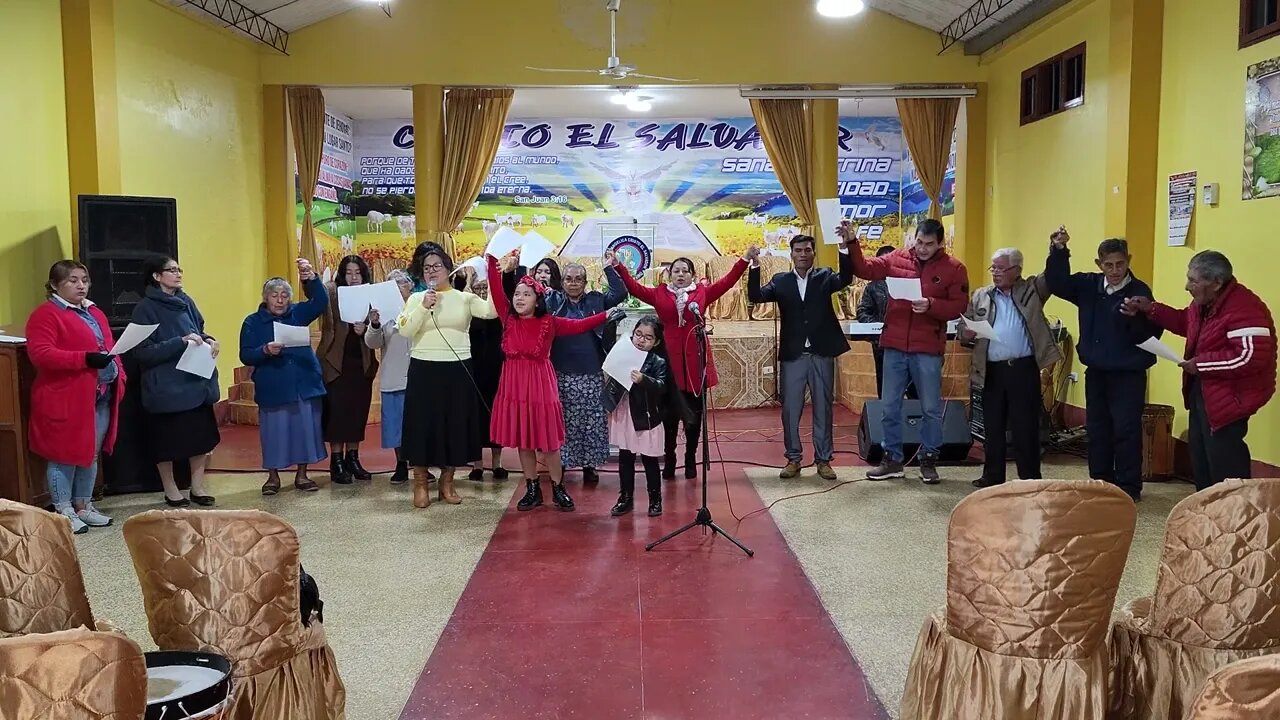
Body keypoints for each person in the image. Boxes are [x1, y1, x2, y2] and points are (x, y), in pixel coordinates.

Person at [1122, 251, 1276, 490]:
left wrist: (1201, 364)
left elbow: (1250, 357)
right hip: (1203, 391)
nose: (1187, 286)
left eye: (1193, 281)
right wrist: (1152, 310)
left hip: (1230, 398)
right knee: (1201, 460)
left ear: (1216, 282)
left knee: (1225, 465)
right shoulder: (1203, 303)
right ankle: (1206, 515)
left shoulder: (1245, 308)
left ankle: (1234, 519)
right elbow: (1187, 323)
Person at [485, 252, 622, 513]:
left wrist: (606, 315)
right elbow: (495, 286)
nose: (520, 298)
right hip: (513, 387)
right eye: (517, 294)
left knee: (548, 442)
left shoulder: (550, 322)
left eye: (526, 294)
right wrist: (493, 259)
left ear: (538, 300)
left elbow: (581, 325)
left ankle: (558, 488)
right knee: (524, 440)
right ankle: (532, 487)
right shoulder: (508, 319)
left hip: (541, 384)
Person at [839, 219, 969, 484]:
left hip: (928, 348)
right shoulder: (896, 258)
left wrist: (931, 305)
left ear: (940, 243)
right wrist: (852, 242)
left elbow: (959, 305)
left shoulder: (954, 269)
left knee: (931, 408)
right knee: (889, 406)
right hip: (895, 346)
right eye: (919, 242)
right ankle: (892, 459)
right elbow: (864, 269)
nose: (922, 248)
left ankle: (929, 458)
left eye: (929, 244)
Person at [1044, 228, 1161, 501]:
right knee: (1097, 429)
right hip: (1097, 372)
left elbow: (1154, 330)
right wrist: (1059, 251)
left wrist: (1135, 317)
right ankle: (1100, 481)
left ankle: (1129, 486)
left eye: (1120, 264)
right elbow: (1057, 282)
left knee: (1126, 429)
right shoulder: (1089, 285)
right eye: (1108, 265)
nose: (1115, 270)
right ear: (1099, 264)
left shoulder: (1140, 291)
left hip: (1128, 373)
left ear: (1128, 260)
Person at [611, 252, 750, 479]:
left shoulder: (702, 293)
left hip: (695, 363)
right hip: (666, 364)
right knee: (668, 416)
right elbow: (634, 288)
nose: (681, 274)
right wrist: (619, 267)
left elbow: (728, 281)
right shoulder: (659, 293)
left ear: (692, 275)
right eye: (676, 271)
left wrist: (744, 261)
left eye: (685, 271)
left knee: (693, 416)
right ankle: (670, 457)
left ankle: (690, 459)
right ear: (669, 274)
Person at [25, 260, 127, 533]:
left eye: (84, 279)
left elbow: (107, 346)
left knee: (89, 453)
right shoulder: (46, 314)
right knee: (64, 455)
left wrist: (117, 370)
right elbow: (41, 354)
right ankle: (64, 510)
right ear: (55, 285)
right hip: (66, 397)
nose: (81, 285)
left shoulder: (94, 311)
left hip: (99, 394)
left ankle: (84, 505)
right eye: (73, 280)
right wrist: (84, 359)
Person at [397, 245, 497, 509]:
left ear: (448, 269)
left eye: (437, 266)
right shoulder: (416, 299)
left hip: (457, 369)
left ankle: (448, 482)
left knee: (454, 425)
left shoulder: (463, 298)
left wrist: (495, 278)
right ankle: (420, 484)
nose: (432, 271)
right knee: (422, 426)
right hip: (424, 369)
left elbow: (491, 312)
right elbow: (405, 331)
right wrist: (422, 307)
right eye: (427, 267)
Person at [747, 234, 854, 480]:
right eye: (798, 250)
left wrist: (843, 248)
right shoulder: (781, 281)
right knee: (790, 410)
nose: (803, 254)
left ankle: (824, 460)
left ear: (813, 253)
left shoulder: (825, 277)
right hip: (793, 355)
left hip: (821, 353)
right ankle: (793, 458)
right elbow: (756, 296)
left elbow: (846, 277)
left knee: (823, 409)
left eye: (807, 250)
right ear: (791, 254)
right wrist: (754, 267)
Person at [960, 248, 1061, 489]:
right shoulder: (981, 295)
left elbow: (1054, 275)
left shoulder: (1032, 290)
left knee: (1025, 426)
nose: (995, 272)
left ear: (1017, 270)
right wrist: (968, 332)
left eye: (1001, 268)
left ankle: (1030, 477)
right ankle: (992, 475)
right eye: (992, 267)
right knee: (992, 425)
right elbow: (963, 333)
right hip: (991, 370)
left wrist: (1057, 250)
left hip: (1023, 368)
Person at [131, 255, 221, 507]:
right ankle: (171, 489)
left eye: (179, 269)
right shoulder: (145, 308)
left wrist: (210, 340)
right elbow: (142, 352)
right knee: (167, 443)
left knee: (200, 439)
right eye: (171, 270)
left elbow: (198, 330)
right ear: (156, 276)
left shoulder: (185, 301)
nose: (178, 274)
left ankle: (198, 487)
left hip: (195, 380)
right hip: (167, 387)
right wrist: (179, 342)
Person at [239, 259, 330, 494]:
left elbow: (320, 301)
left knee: (304, 430)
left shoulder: (298, 313)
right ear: (265, 298)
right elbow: (245, 354)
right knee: (274, 433)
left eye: (284, 296)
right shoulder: (252, 322)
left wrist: (310, 277)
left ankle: (302, 475)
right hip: (274, 385)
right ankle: (273, 477)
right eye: (274, 296)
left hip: (303, 383)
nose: (280, 300)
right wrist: (265, 351)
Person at [547, 260, 627, 484]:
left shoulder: (596, 299)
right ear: (562, 281)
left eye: (578, 279)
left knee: (591, 422)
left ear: (585, 281)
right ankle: (560, 464)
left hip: (591, 371)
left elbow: (620, 292)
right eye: (569, 279)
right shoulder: (552, 300)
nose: (573, 283)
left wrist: (609, 267)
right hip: (559, 371)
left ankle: (589, 466)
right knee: (563, 421)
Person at [602, 315, 680, 517]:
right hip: (625, 413)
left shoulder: (657, 361)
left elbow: (662, 386)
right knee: (625, 458)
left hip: (646, 417)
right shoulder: (624, 351)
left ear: (656, 342)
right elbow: (607, 344)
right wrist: (612, 322)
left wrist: (644, 380)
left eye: (648, 337)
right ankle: (625, 498)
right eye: (638, 334)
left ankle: (655, 500)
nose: (641, 340)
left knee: (650, 461)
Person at [317, 255, 379, 484]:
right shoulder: (332, 292)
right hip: (336, 363)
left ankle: (353, 459)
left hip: (361, 363)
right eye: (349, 273)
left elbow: (379, 329)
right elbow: (314, 295)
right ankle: (337, 462)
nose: (353, 278)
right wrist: (307, 279)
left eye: (358, 273)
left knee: (356, 413)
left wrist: (369, 327)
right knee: (337, 414)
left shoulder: (371, 296)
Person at [365, 269, 414, 485]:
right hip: (392, 375)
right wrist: (374, 324)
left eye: (402, 284)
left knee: (417, 424)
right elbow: (372, 342)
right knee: (396, 426)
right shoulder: (382, 313)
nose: (398, 288)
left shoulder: (419, 306)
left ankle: (421, 464)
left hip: (417, 375)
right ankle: (401, 464)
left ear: (410, 287)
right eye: (392, 285)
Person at [466, 272, 509, 481]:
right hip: (473, 369)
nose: (482, 291)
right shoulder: (468, 310)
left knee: (496, 415)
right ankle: (477, 465)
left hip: (496, 368)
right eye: (478, 288)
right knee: (475, 417)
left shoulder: (498, 310)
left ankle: (497, 463)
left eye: (485, 288)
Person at [856, 245, 899, 393]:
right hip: (882, 343)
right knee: (885, 387)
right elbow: (862, 311)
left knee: (913, 389)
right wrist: (877, 327)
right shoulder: (872, 287)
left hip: (907, 343)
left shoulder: (910, 282)